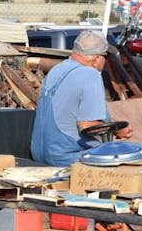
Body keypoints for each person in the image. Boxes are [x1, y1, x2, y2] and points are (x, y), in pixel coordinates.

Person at [30, 29, 133, 166]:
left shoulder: (56, 70)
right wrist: (118, 130)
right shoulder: (90, 75)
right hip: (67, 156)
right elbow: (87, 125)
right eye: (106, 56)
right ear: (97, 58)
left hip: (39, 153)